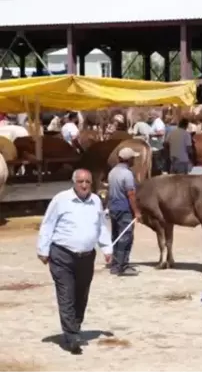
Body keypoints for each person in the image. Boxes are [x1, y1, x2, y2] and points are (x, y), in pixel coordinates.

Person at [37, 169, 112, 354]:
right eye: (80, 182)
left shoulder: (95, 201)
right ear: (74, 182)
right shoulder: (61, 200)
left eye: (87, 181)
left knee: (81, 294)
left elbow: (101, 225)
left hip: (86, 256)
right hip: (62, 255)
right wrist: (43, 250)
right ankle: (71, 337)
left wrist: (107, 248)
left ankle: (75, 326)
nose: (84, 185)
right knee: (66, 294)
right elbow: (48, 224)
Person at [107, 147, 143, 276]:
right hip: (124, 209)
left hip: (113, 207)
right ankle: (123, 265)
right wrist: (137, 211)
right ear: (129, 159)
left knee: (116, 236)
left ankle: (115, 265)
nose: (134, 160)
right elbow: (131, 194)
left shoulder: (112, 172)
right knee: (125, 238)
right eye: (133, 158)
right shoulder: (127, 174)